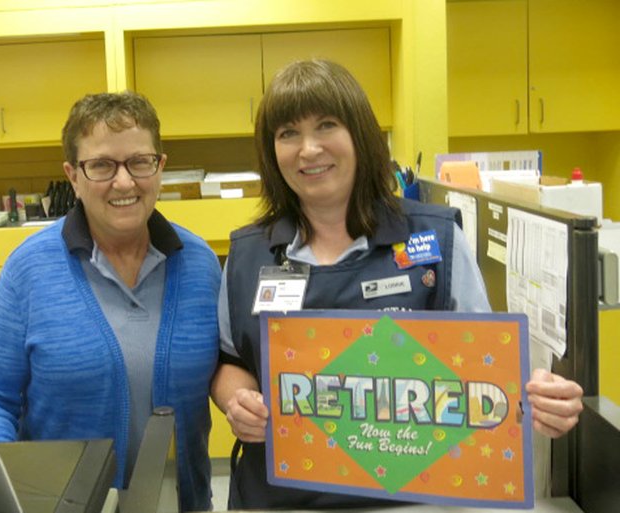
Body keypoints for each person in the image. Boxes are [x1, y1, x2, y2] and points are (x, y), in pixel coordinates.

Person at [210, 59, 584, 510]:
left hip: (411, 497)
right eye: (288, 133)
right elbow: (231, 359)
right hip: (280, 495)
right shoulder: (248, 254)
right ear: (272, 151)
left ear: (361, 136)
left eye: (326, 125)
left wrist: (537, 401)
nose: (308, 149)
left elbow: (490, 377)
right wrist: (238, 401)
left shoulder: (436, 240)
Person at [0, 92, 220, 512]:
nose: (124, 182)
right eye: (101, 165)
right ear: (73, 176)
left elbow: (224, 366)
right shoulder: (28, 268)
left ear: (160, 167)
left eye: (140, 162)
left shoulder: (200, 265)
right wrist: (7, 485)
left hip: (182, 503)